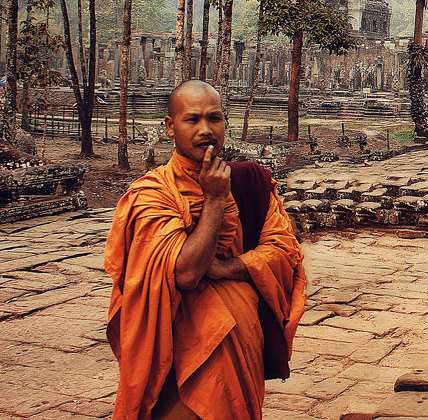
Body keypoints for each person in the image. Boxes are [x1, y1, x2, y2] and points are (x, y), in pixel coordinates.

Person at [104, 80, 306, 419]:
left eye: (214, 119)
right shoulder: (152, 194)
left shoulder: (249, 181)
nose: (205, 130)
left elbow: (285, 250)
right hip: (180, 348)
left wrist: (231, 268)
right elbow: (185, 272)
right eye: (192, 119)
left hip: (242, 347)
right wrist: (214, 200)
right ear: (170, 127)